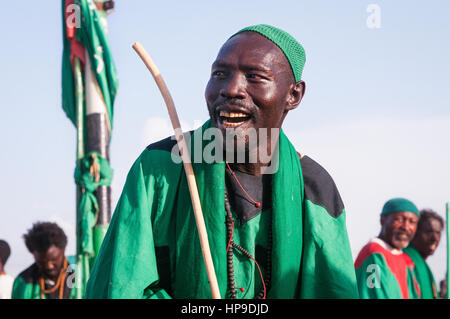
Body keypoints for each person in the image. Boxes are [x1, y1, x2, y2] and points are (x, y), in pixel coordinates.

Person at [86, 24, 358, 299]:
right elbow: (120, 284)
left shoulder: (314, 189)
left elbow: (333, 290)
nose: (230, 89)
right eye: (220, 74)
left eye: (254, 76)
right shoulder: (162, 167)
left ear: (293, 95)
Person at [355, 198, 421, 299]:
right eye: (400, 219)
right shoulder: (374, 255)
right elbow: (372, 293)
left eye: (412, 222)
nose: (406, 227)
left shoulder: (406, 260)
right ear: (383, 219)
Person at [12, 222, 75, 299]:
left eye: (54, 260)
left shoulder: (80, 278)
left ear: (63, 250)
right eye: (42, 262)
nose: (49, 266)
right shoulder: (22, 282)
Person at [404, 209, 444, 299]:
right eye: (429, 232)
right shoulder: (405, 259)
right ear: (414, 232)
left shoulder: (422, 264)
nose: (435, 238)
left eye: (438, 233)